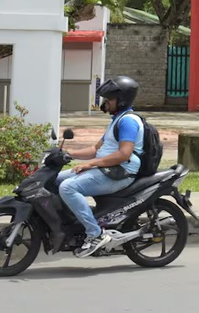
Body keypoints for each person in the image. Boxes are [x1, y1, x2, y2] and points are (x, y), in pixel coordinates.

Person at [56, 75, 145, 257]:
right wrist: (68, 154)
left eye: (110, 99)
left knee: (68, 187)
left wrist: (91, 164)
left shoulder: (128, 121)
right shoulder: (117, 120)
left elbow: (124, 154)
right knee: (55, 179)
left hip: (120, 172)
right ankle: (71, 223)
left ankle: (95, 234)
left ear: (121, 100)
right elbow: (95, 149)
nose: (106, 102)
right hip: (107, 169)